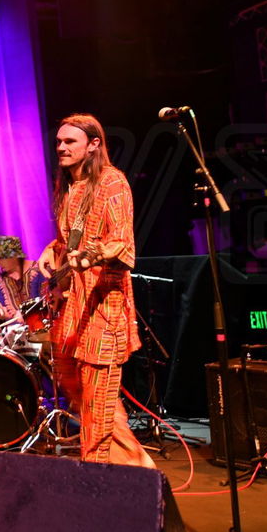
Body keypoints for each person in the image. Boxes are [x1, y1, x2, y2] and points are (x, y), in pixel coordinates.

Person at [39, 114, 154, 468]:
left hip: (103, 305)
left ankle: (98, 475)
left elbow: (121, 243)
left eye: (69, 142)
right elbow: (70, 239)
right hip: (74, 307)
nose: (61, 147)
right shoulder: (71, 188)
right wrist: (52, 250)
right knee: (81, 391)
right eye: (58, 142)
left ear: (93, 144)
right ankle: (136, 466)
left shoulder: (112, 182)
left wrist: (90, 257)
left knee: (98, 402)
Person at [0, 235, 44, 323]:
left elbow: (49, 301)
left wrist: (26, 312)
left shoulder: (39, 271)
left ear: (15, 256)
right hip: (12, 329)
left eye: (1, 259)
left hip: (39, 325)